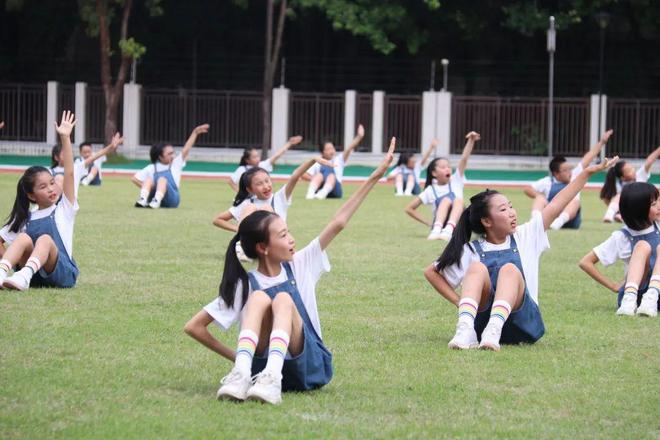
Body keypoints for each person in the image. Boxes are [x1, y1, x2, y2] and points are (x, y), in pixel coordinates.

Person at [184, 138, 397, 404]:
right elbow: (194, 327)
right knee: (260, 297)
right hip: (259, 369)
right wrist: (242, 358)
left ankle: (272, 377)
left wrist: (375, 176)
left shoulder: (301, 263)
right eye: (283, 235)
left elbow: (338, 222)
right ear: (262, 248)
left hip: (309, 365)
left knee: (282, 298)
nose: (292, 240)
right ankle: (241, 372)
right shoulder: (246, 283)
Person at [424, 156, 618, 351]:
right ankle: (465, 329)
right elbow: (432, 273)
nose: (512, 212)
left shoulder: (527, 235)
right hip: (480, 325)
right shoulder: (471, 249)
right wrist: (460, 303)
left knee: (509, 269)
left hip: (523, 324)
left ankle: (495, 328)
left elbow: (558, 203)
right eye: (503, 209)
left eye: (510, 206)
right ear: (487, 221)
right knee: (476, 268)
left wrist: (586, 173)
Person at [0, 111, 80, 290]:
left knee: (44, 239)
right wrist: (13, 265)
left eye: (52, 183)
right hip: (35, 277)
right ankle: (4, 273)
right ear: (30, 195)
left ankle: (24, 276)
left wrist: (65, 138)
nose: (51, 189)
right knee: (22, 238)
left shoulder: (63, 209)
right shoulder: (25, 218)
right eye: (43, 187)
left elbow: (69, 173)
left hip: (62, 274)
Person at [579, 182, 660, 317]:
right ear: (638, 209)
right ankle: (629, 297)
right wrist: (613, 286)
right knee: (642, 246)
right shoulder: (622, 236)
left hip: (656, 296)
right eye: (653, 204)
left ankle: (652, 294)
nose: (659, 206)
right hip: (636, 295)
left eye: (658, 200)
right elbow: (585, 262)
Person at [213, 156, 334, 232]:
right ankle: (243, 245)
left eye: (267, 181)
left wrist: (313, 160)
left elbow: (295, 176)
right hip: (254, 244)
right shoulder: (247, 204)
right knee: (250, 207)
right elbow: (218, 220)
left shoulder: (280, 198)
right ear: (250, 189)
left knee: (266, 208)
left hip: (275, 243)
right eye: (259, 184)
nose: (266, 186)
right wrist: (238, 230)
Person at [524, 129, 612, 230]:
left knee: (575, 201)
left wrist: (602, 142)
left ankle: (558, 223)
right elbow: (527, 189)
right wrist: (539, 195)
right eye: (565, 170)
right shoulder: (547, 181)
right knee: (539, 198)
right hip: (550, 215)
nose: (569, 172)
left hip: (570, 219)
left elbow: (589, 157)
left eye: (569, 169)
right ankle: (535, 222)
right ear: (556, 173)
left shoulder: (575, 176)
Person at [405, 131, 479, 241]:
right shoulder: (430, 190)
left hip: (458, 226)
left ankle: (448, 230)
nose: (448, 169)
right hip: (440, 226)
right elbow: (409, 208)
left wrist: (471, 140)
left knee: (458, 200)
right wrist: (429, 223)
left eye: (448, 166)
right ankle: (436, 229)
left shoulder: (456, 181)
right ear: (434, 173)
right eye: (443, 167)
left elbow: (464, 159)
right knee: (446, 200)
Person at [132, 124, 209, 209]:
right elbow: (135, 179)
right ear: (160, 157)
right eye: (169, 154)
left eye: (173, 153)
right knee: (149, 179)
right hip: (153, 197)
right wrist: (151, 188)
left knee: (162, 179)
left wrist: (195, 133)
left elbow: (186, 149)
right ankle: (143, 199)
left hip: (172, 200)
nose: (172, 156)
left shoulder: (176, 164)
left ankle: (157, 201)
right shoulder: (152, 167)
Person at [304, 124, 365, 199]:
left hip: (335, 190)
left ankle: (323, 193)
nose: (331, 151)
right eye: (328, 149)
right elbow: (304, 175)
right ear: (322, 152)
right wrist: (319, 179)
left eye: (332, 148)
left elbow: (349, 148)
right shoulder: (317, 161)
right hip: (320, 187)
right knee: (320, 175)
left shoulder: (339, 159)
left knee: (330, 172)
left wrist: (359, 136)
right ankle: (310, 193)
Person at [601, 146, 660, 222]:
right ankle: (610, 215)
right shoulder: (618, 186)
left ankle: (621, 216)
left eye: (632, 168)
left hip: (645, 206)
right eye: (629, 171)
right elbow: (607, 200)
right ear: (623, 178)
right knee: (619, 196)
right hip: (630, 209)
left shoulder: (640, 175)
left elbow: (649, 161)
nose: (633, 170)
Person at [228, 136, 303, 192]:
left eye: (257, 156)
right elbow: (230, 181)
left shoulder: (262, 165)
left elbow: (277, 155)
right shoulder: (242, 169)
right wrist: (239, 192)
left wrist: (289, 143)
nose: (257, 158)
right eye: (254, 157)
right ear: (247, 160)